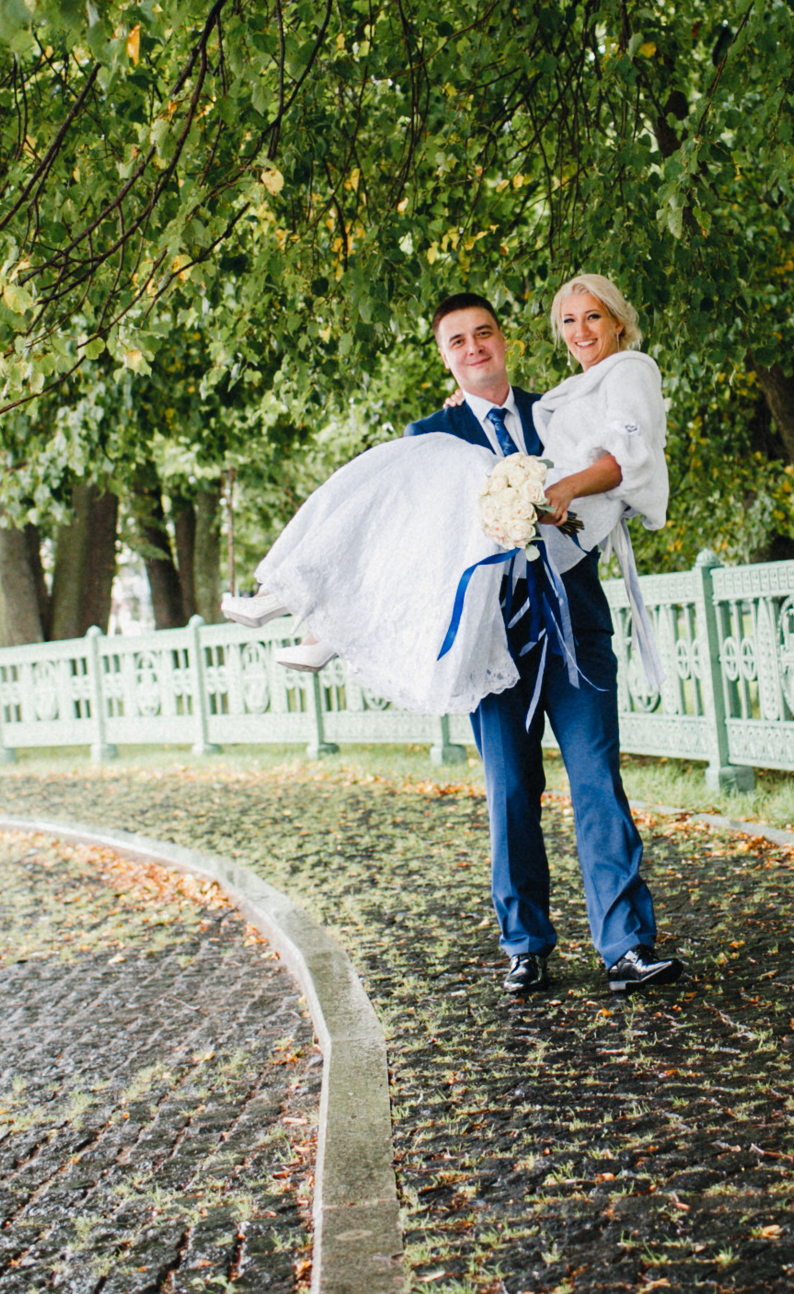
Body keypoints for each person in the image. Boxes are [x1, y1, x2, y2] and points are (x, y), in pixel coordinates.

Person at [222, 279, 684, 996]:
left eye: (485, 333)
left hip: (573, 625)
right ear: (445, 357)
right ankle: (525, 943)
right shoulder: (428, 438)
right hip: (487, 641)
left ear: (506, 339)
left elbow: (610, 477)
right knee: (510, 789)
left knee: (597, 775)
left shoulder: (560, 410)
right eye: (458, 340)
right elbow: (402, 544)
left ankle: (626, 943)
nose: (475, 348)